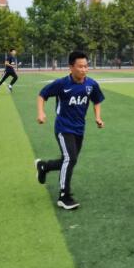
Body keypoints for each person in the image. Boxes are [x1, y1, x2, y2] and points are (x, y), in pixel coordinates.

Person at [34, 51, 105, 210]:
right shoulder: (62, 83)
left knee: (69, 160)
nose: (84, 70)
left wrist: (98, 117)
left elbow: (97, 101)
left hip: (79, 128)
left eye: (86, 66)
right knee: (70, 159)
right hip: (63, 128)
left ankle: (44, 166)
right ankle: (64, 196)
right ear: (71, 67)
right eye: (80, 66)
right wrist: (41, 112)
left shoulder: (91, 84)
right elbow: (42, 95)